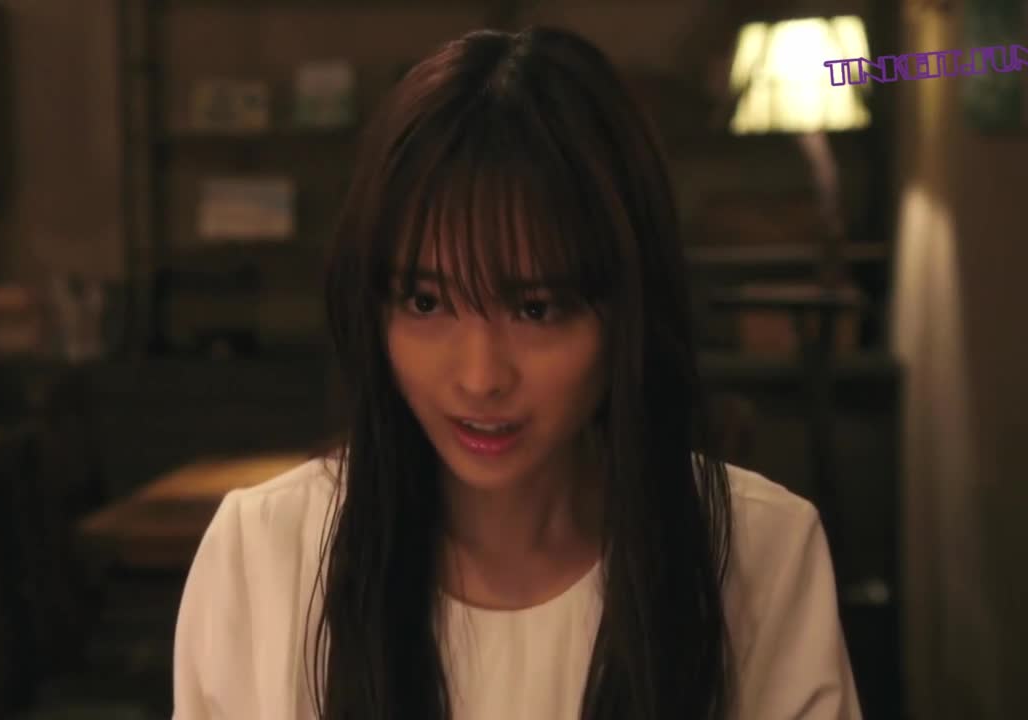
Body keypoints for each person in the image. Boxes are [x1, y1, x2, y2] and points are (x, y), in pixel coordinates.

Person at [172, 25, 861, 720]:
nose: (479, 378)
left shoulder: (759, 554)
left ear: (626, 308)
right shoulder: (264, 556)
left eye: (536, 309)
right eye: (426, 302)